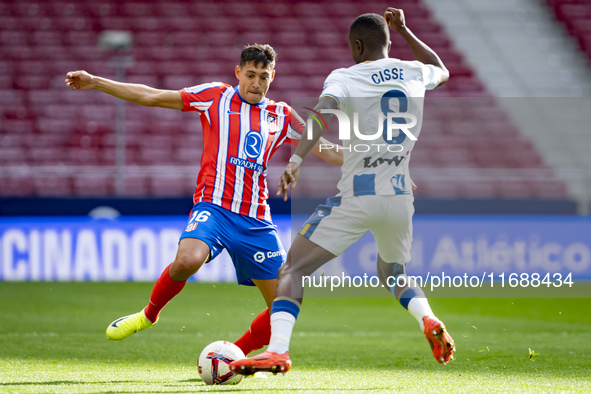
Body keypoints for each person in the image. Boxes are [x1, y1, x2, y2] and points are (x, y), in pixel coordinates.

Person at [64, 44, 342, 356]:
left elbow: (330, 150)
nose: (256, 83)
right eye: (250, 75)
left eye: (264, 77)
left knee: (286, 302)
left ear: (272, 77)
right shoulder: (215, 97)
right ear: (238, 73)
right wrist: (96, 81)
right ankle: (148, 315)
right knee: (187, 260)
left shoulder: (281, 115)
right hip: (214, 208)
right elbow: (151, 96)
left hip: (256, 221)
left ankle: (230, 357)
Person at [230, 9, 455, 374]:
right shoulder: (414, 71)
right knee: (393, 272)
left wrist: (296, 158)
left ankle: (278, 351)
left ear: (357, 45)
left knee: (293, 268)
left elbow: (321, 114)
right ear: (389, 42)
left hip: (359, 195)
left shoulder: (345, 77)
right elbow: (441, 68)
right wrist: (406, 30)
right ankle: (427, 318)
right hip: (400, 197)